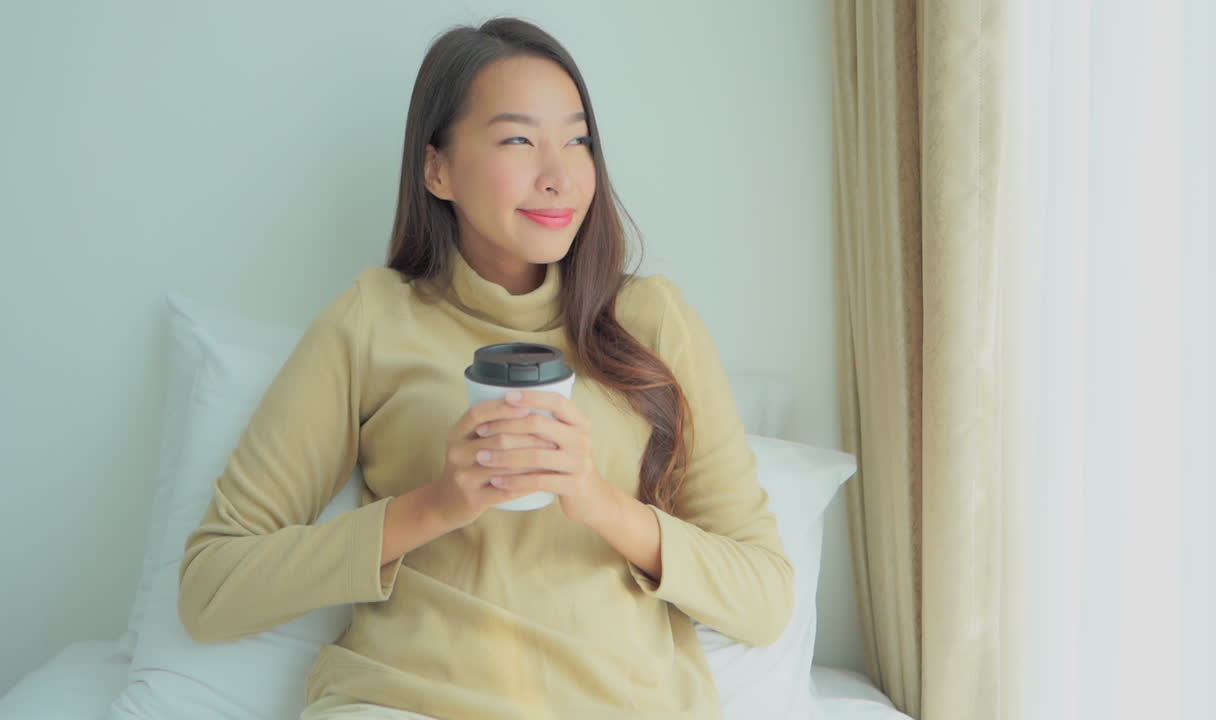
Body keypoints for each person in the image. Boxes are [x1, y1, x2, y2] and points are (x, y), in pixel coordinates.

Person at [177, 16, 793, 720]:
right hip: (401, 703)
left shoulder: (651, 323)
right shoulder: (371, 321)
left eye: (578, 141)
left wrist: (595, 500)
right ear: (437, 168)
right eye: (518, 140)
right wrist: (436, 505)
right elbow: (211, 591)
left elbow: (765, 597)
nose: (559, 175)